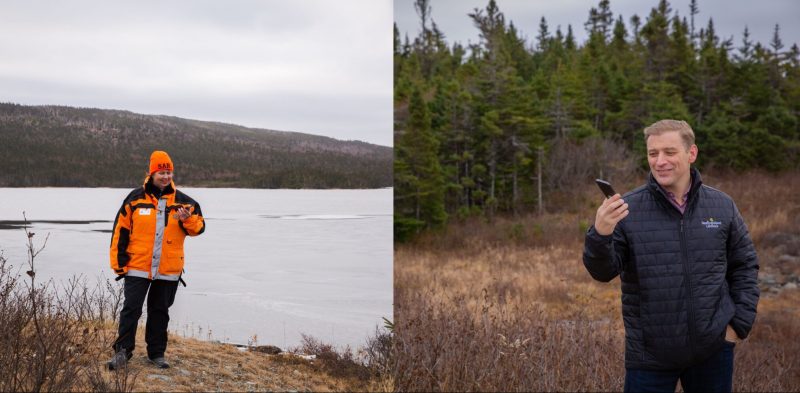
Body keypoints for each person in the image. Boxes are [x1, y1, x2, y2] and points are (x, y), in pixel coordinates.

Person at [583, 120, 759, 392]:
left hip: (712, 352)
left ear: (691, 153)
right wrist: (600, 234)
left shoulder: (722, 205)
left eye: (669, 152)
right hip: (649, 357)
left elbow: (745, 266)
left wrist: (737, 326)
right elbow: (602, 272)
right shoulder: (628, 210)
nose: (660, 161)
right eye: (653, 154)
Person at [107, 150, 205, 370]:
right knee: (131, 309)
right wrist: (119, 264)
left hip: (168, 269)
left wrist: (187, 221)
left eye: (169, 172)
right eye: (161, 172)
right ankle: (122, 353)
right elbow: (119, 233)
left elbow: (199, 228)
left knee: (160, 312)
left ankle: (156, 353)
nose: (166, 176)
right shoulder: (134, 199)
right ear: (151, 173)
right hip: (136, 267)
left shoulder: (184, 202)